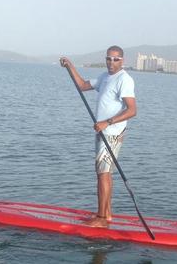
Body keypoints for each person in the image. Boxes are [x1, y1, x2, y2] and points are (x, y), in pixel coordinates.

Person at [60, 46, 136, 228]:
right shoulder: (105, 77)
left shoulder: (124, 80)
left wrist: (107, 122)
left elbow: (132, 110)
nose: (111, 62)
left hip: (111, 133)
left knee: (102, 174)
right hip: (103, 132)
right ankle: (106, 214)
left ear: (122, 61)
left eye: (116, 59)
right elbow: (82, 85)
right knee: (105, 173)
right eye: (109, 58)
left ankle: (101, 219)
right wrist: (70, 66)